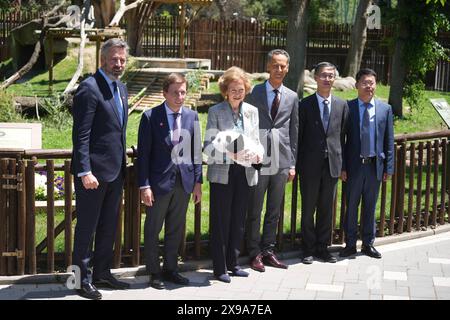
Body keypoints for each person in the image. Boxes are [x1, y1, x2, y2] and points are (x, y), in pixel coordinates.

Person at [71, 38, 130, 300]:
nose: (118, 64)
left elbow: (116, 130)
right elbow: (81, 135)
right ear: (103, 60)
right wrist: (84, 171)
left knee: (108, 226)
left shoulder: (122, 88)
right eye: (114, 59)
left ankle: (102, 273)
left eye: (122, 60)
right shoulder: (89, 88)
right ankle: (78, 280)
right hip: (92, 175)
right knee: (86, 228)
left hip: (115, 172)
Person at [137, 73, 202, 290]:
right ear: (164, 93)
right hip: (158, 184)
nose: (180, 96)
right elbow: (143, 155)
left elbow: (196, 153)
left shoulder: (192, 117)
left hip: (184, 183)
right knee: (153, 229)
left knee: (175, 229)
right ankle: (154, 272)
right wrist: (144, 185)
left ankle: (171, 269)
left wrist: (198, 182)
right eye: (175, 92)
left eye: (183, 92)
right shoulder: (150, 117)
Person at [204, 66, 264, 283]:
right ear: (225, 91)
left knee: (239, 220)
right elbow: (208, 146)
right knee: (221, 221)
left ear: (246, 89)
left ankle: (234, 263)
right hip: (223, 172)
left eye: (241, 89)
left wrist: (258, 156)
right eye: (233, 89)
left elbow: (257, 141)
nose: (237, 93)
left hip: (245, 172)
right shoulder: (215, 112)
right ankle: (219, 268)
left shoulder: (251, 111)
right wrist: (229, 152)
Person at [245, 49, 299, 272]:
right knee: (255, 209)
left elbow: (294, 131)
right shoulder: (254, 93)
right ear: (268, 67)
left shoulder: (292, 96)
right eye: (275, 65)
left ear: (287, 68)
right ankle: (253, 252)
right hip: (258, 159)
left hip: (282, 159)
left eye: (283, 66)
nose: (279, 70)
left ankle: (269, 250)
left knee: (274, 209)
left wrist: (293, 163)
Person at [297, 62, 349, 264]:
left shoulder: (342, 105)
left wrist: (343, 166)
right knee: (309, 208)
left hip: (332, 166)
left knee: (327, 209)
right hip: (309, 166)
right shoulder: (305, 105)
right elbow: (299, 137)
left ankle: (322, 248)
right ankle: (308, 248)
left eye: (331, 76)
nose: (327, 79)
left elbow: (343, 136)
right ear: (316, 78)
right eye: (323, 75)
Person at [340, 68, 394, 259]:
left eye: (372, 83)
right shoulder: (348, 107)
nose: (369, 86)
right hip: (354, 167)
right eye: (365, 82)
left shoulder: (385, 109)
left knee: (370, 206)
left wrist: (388, 167)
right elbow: (342, 140)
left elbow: (389, 140)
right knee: (351, 206)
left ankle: (368, 244)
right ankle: (350, 244)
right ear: (356, 85)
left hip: (374, 167)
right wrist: (343, 166)